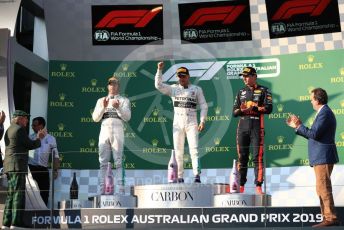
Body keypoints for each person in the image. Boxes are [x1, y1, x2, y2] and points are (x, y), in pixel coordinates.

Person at [286, 88, 339, 227]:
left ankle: (330, 217)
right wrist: (298, 127)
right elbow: (313, 134)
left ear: (317, 100)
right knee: (321, 188)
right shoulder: (322, 113)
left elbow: (314, 134)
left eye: (311, 99)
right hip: (320, 157)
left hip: (323, 156)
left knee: (323, 187)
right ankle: (327, 218)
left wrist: (299, 125)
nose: (310, 102)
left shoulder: (325, 113)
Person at [155, 62, 208, 183]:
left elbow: (204, 106)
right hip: (177, 123)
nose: (182, 78)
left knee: (194, 150)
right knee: (178, 151)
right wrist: (159, 70)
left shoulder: (196, 89)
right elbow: (158, 85)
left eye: (184, 76)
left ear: (188, 76)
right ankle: (179, 177)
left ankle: (197, 175)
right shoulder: (173, 89)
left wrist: (202, 121)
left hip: (192, 122)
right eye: (179, 76)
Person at [2, 110, 45, 229]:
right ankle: (16, 222)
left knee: (11, 194)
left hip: (10, 166)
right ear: (19, 118)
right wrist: (39, 138)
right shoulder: (19, 130)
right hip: (17, 166)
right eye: (26, 118)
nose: (27, 121)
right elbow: (30, 145)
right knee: (18, 194)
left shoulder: (9, 129)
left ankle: (6, 222)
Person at [233, 67, 272, 194]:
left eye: (247, 76)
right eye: (243, 76)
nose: (244, 78)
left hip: (257, 126)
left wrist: (256, 108)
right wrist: (241, 110)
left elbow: (269, 108)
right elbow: (234, 112)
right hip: (242, 127)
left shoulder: (264, 90)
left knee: (257, 157)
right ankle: (241, 185)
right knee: (242, 157)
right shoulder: (240, 92)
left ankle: (258, 186)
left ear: (254, 76)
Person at [92, 76, 131, 194]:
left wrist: (118, 107)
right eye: (110, 84)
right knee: (102, 162)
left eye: (115, 84)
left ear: (118, 86)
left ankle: (121, 190)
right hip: (104, 131)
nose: (112, 86)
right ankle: (101, 191)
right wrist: (103, 107)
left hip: (118, 131)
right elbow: (95, 118)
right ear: (107, 86)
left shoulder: (124, 100)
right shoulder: (101, 100)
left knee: (118, 161)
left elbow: (127, 117)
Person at [28, 116, 60, 206]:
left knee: (44, 194)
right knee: (30, 194)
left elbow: (56, 155)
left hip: (43, 169)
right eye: (32, 125)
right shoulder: (30, 137)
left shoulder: (51, 139)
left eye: (34, 125)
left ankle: (43, 215)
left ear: (41, 126)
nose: (32, 127)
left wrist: (56, 170)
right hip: (31, 169)